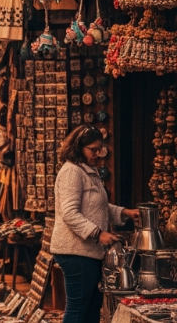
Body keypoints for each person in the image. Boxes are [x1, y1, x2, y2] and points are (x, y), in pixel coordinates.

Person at [52, 125, 139, 323]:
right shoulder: (72, 172)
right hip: (75, 251)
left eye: (99, 149)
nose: (98, 154)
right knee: (78, 309)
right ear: (78, 148)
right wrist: (98, 233)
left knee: (92, 307)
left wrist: (125, 213)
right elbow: (69, 212)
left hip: (88, 251)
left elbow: (98, 206)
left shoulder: (88, 171)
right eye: (93, 149)